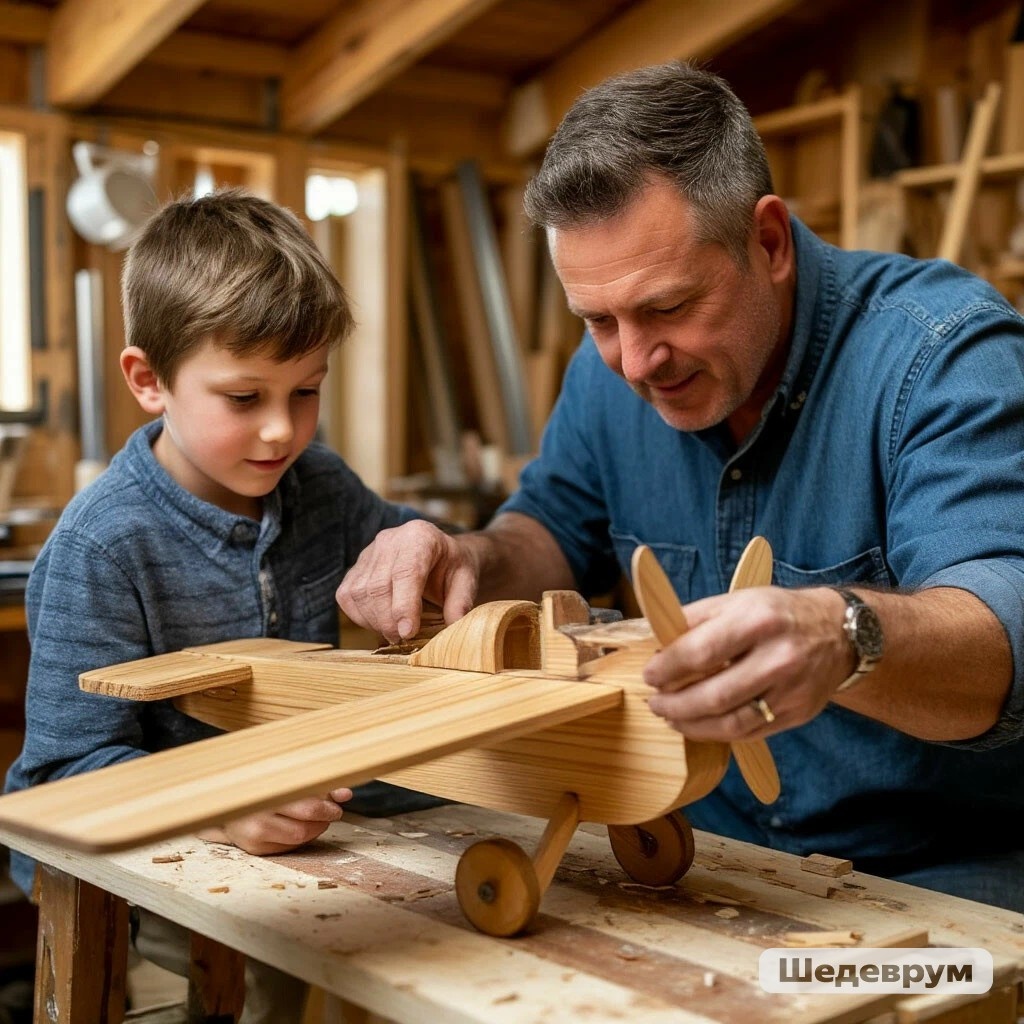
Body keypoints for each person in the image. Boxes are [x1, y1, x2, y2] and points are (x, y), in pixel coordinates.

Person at [338, 62, 1024, 913]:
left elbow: (1006, 631)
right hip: (701, 841)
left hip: (939, 865)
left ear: (768, 241)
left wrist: (846, 634)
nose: (634, 361)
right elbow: (548, 531)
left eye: (667, 307)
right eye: (597, 321)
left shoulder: (942, 353)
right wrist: (463, 556)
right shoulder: (609, 375)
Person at [4, 189, 427, 1021]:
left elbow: (405, 565)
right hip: (159, 905)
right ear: (148, 381)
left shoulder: (320, 486)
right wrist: (221, 805)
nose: (282, 432)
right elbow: (57, 781)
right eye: (245, 399)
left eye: (306, 392)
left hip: (303, 872)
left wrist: (431, 552)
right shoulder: (104, 547)